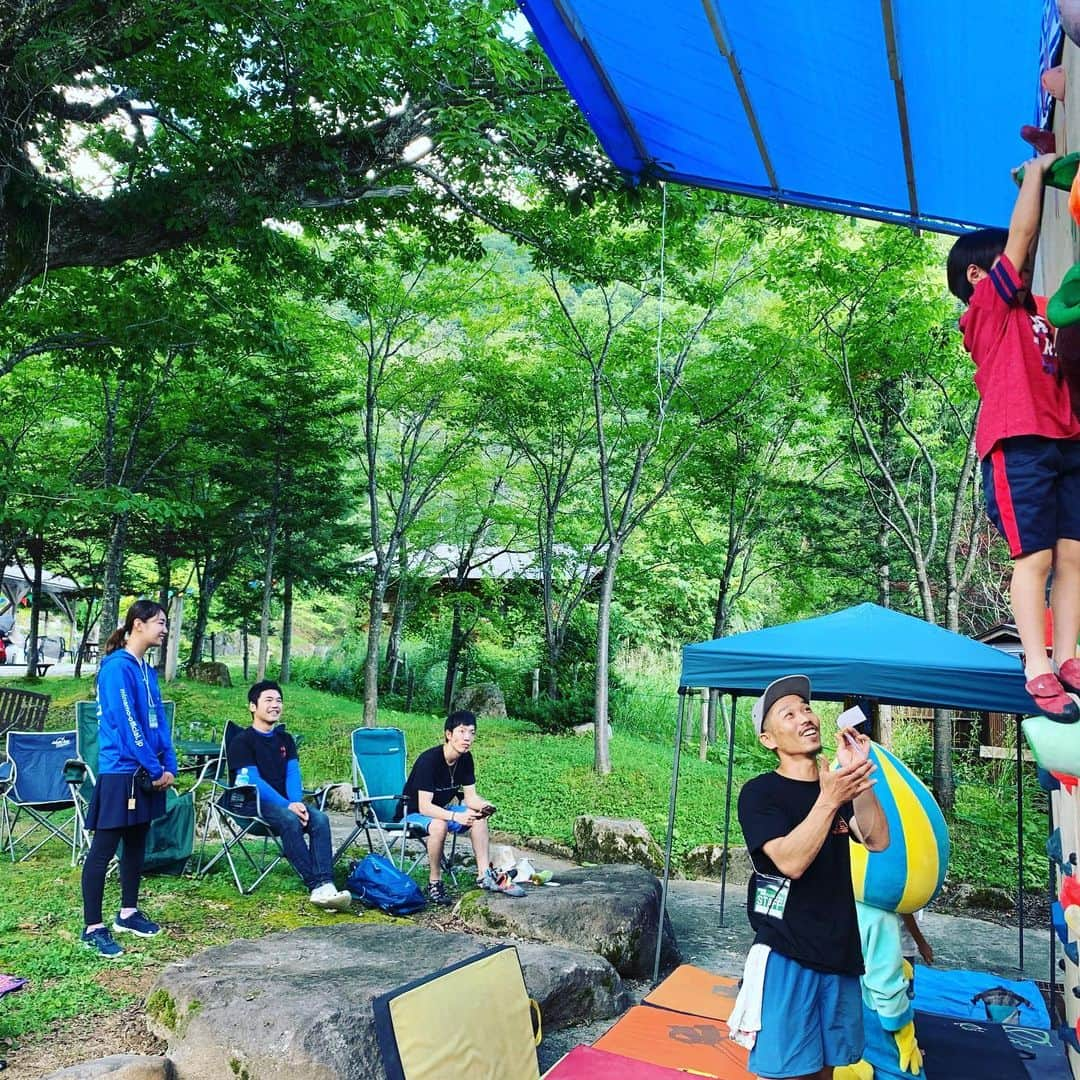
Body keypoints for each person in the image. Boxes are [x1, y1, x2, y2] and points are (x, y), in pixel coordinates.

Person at [947, 152, 1080, 723]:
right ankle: (1036, 666)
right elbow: (1023, 235)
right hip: (1016, 442)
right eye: (1006, 260)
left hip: (1068, 440)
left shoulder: (1045, 312)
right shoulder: (986, 312)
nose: (1020, 265)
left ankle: (1070, 657)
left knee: (1075, 557)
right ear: (980, 275)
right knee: (1038, 558)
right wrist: (1037, 174)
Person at [735, 675, 889, 1080]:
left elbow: (877, 839)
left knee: (827, 1071)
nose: (806, 717)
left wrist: (857, 778)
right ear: (769, 739)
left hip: (839, 953)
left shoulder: (835, 785)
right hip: (787, 953)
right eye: (789, 713)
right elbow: (790, 862)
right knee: (785, 1073)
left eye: (806, 708)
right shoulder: (759, 792)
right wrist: (830, 798)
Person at [80, 600, 178, 959]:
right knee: (104, 849)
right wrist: (155, 768)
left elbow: (157, 721)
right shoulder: (116, 668)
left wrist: (170, 763)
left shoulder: (146, 671)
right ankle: (92, 926)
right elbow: (128, 725)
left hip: (147, 772)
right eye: (159, 622)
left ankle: (128, 912)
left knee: (137, 842)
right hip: (121, 773)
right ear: (138, 624)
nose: (164, 629)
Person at [227, 680, 352, 911]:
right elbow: (253, 781)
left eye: (279, 701)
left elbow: (293, 773)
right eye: (269, 700)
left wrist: (296, 802)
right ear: (253, 707)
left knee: (320, 819)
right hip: (250, 803)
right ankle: (315, 885)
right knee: (289, 819)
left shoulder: (285, 740)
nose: (275, 705)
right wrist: (288, 805)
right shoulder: (242, 741)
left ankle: (326, 883)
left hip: (286, 803)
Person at [401, 710, 523, 904]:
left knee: (477, 816)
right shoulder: (428, 761)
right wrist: (454, 816)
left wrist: (484, 805)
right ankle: (434, 882)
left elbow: (471, 798)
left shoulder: (465, 759)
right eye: (462, 731)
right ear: (449, 734)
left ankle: (484, 875)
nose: (467, 738)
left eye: (472, 732)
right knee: (439, 824)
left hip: (440, 811)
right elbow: (424, 807)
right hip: (411, 814)